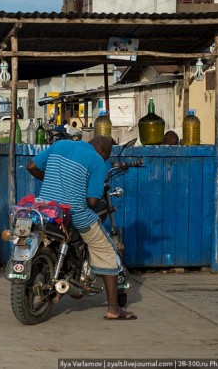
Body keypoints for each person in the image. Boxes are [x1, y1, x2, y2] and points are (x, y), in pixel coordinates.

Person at [26, 136, 137, 321]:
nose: (104, 160)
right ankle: (113, 309)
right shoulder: (96, 161)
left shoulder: (60, 144)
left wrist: (55, 183)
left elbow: (32, 167)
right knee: (106, 251)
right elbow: (92, 202)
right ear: (102, 152)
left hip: (47, 209)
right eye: (106, 157)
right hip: (75, 214)